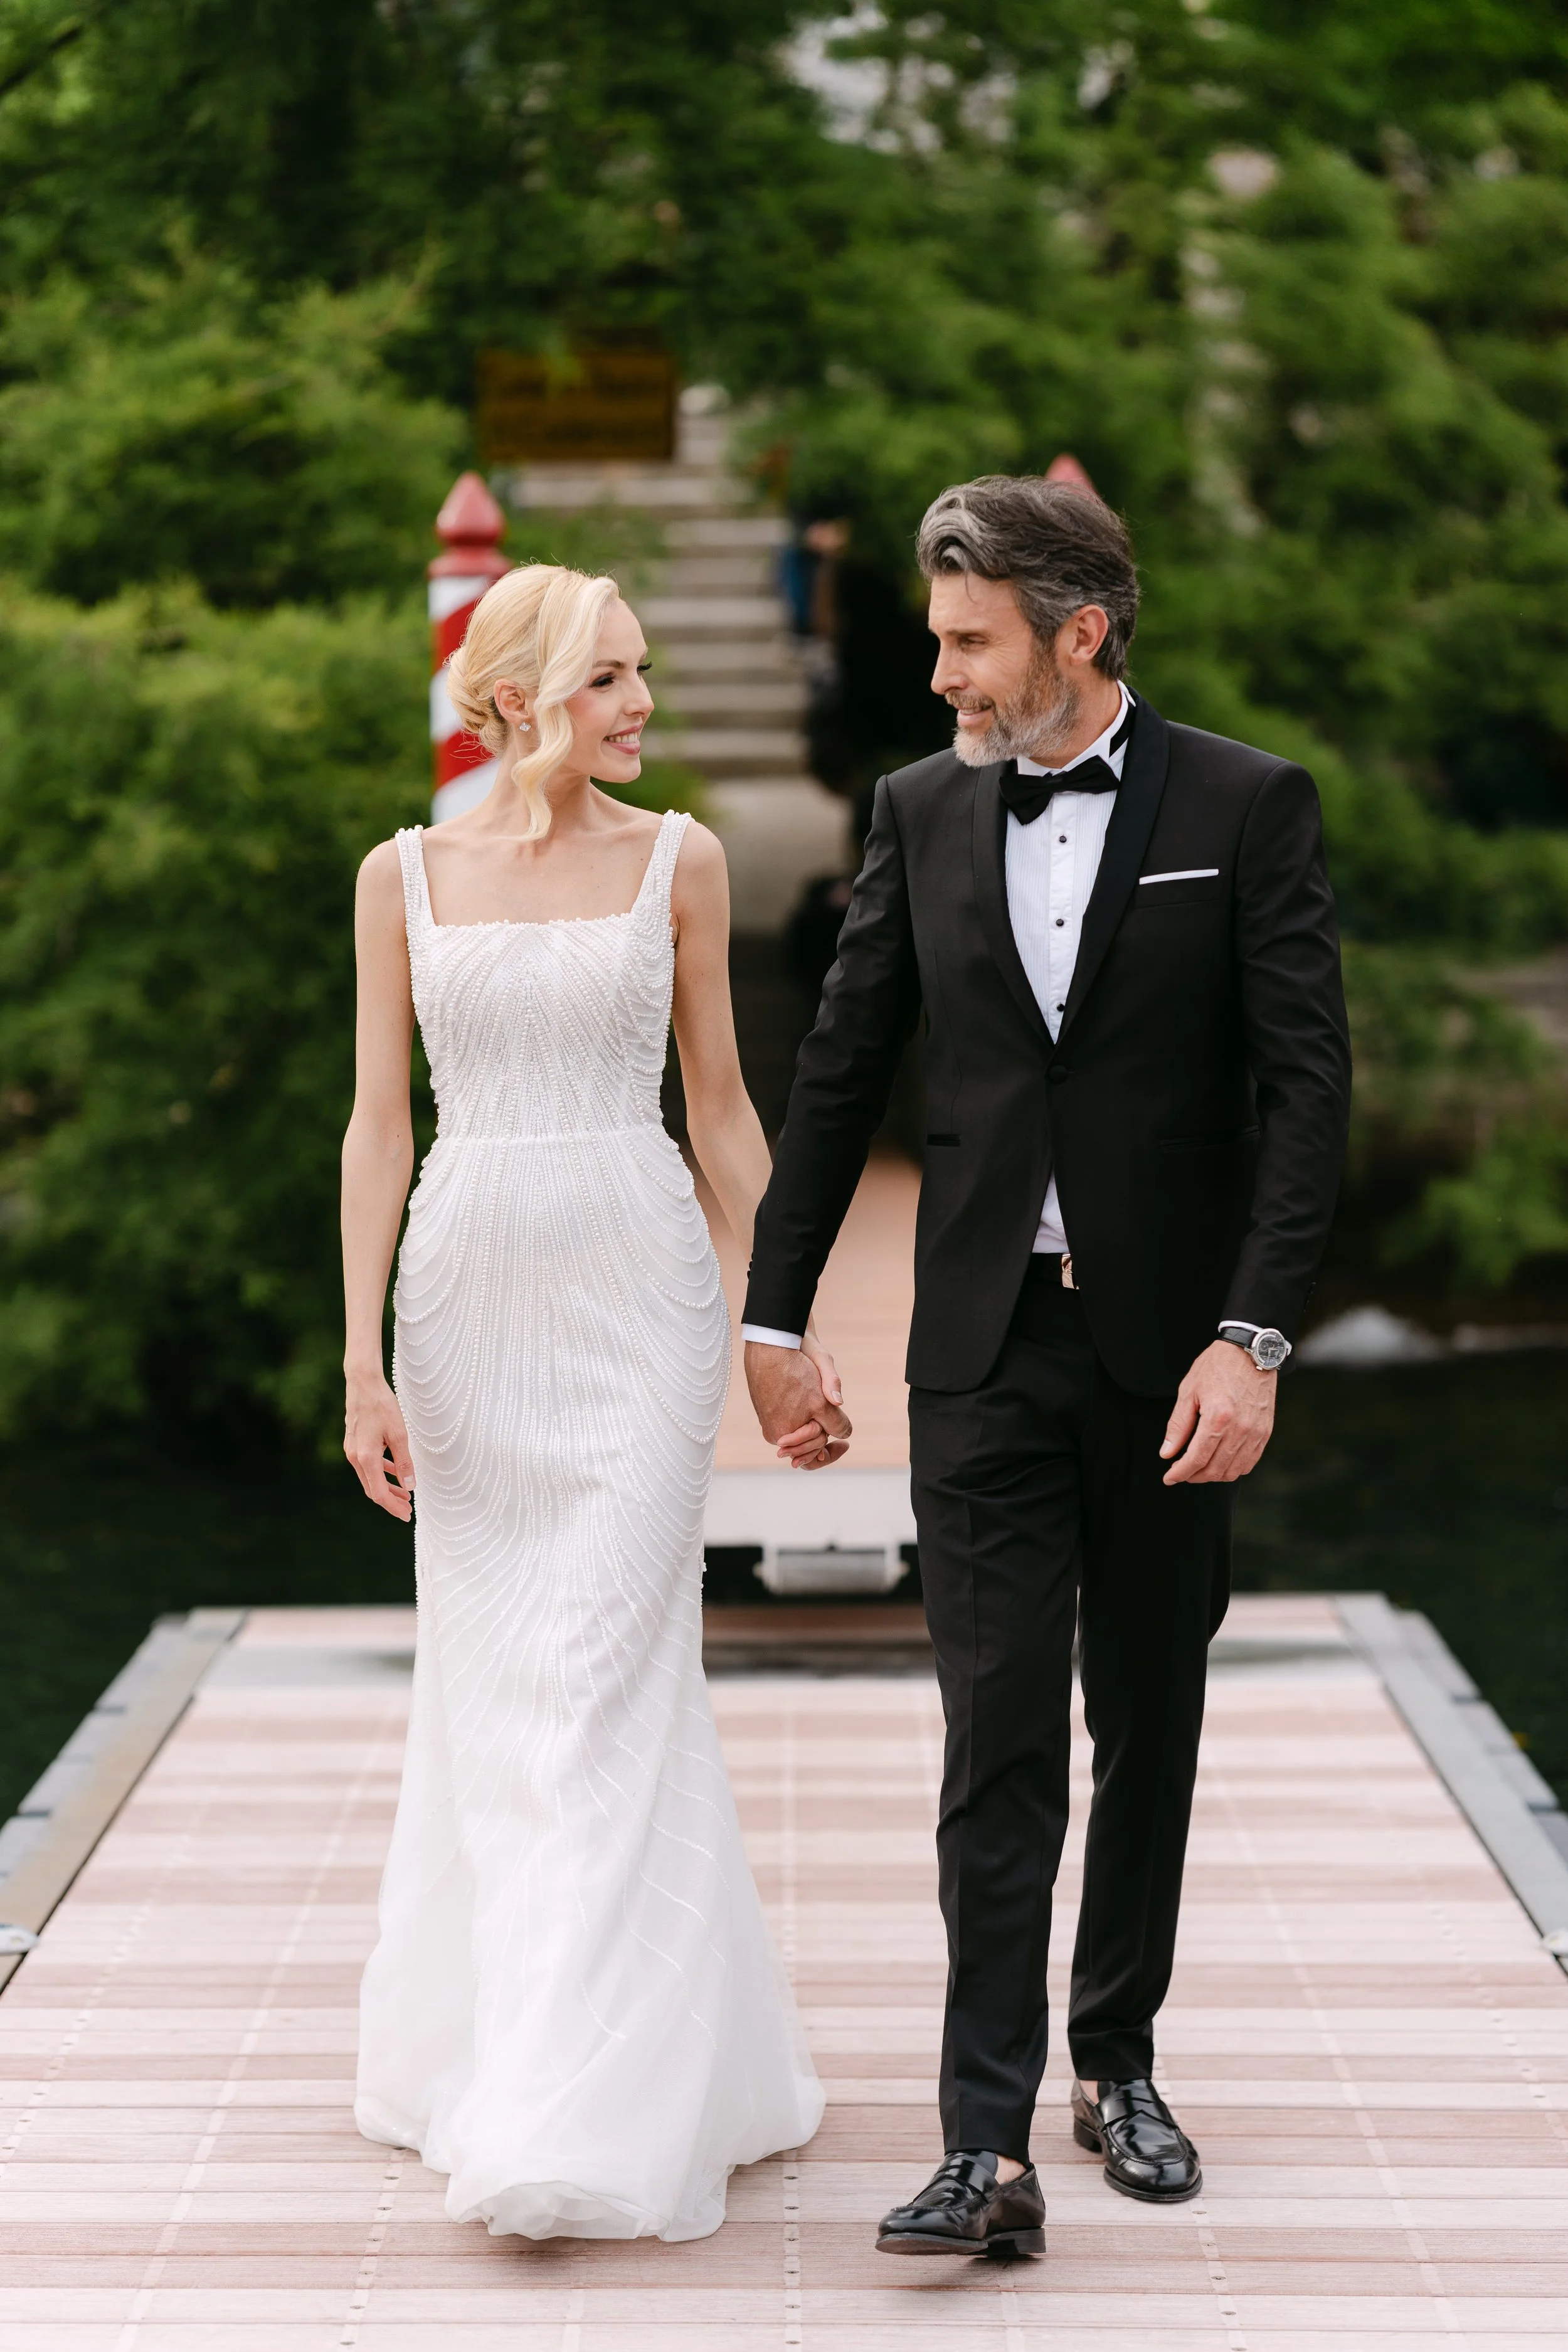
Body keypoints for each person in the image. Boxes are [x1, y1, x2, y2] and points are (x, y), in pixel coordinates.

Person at [741, 475, 1352, 2257]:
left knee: (1142, 1713)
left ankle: (1118, 2057)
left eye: (964, 640)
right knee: (992, 1734)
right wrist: (776, 1321)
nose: (938, 675)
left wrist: (1251, 1337)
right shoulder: (918, 812)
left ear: (1075, 633)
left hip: (1174, 1355)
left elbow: (1306, 1092)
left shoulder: (1245, 804)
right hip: (982, 1350)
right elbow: (842, 1069)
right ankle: (981, 2136)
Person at [341, 563, 827, 2242]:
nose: (639, 705)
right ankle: (509, 2042)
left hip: (639, 1301)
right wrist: (360, 1359)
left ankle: (573, 2104)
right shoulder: (399, 874)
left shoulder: (678, 861)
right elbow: (378, 1129)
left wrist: (781, 1313)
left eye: (639, 675)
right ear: (529, 689)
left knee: (611, 1671)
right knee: (495, 1684)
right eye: (612, 677)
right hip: (468, 1301)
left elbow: (720, 1109)